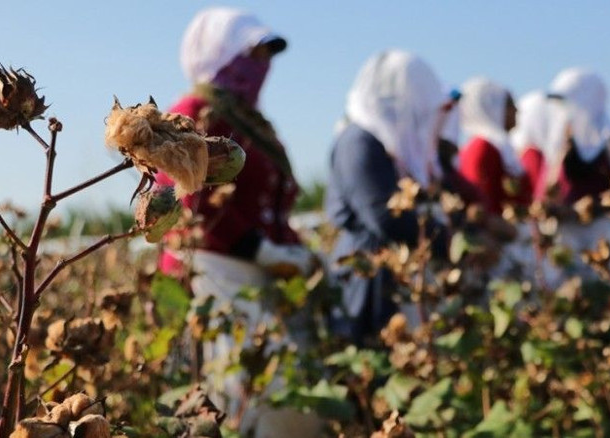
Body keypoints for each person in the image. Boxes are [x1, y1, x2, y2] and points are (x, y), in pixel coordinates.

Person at [154, 7, 320, 436]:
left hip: (254, 274)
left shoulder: (254, 122)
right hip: (212, 276)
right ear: (220, 54)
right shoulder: (191, 113)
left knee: (281, 395)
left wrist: (296, 249)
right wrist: (263, 250)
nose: (262, 67)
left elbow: (270, 203)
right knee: (238, 398)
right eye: (253, 54)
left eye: (267, 56)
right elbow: (191, 207)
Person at [325, 50, 450, 346]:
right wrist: (448, 238)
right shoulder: (359, 141)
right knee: (373, 360)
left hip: (386, 271)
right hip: (367, 277)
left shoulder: (380, 140)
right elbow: (383, 216)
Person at [548, 67, 610, 204]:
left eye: (569, 102)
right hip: (568, 223)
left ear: (586, 100)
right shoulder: (562, 140)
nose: (565, 111)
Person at [457, 78, 532, 214]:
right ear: (492, 107)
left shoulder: (497, 146)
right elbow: (485, 204)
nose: (516, 110)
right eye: (509, 103)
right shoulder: (483, 148)